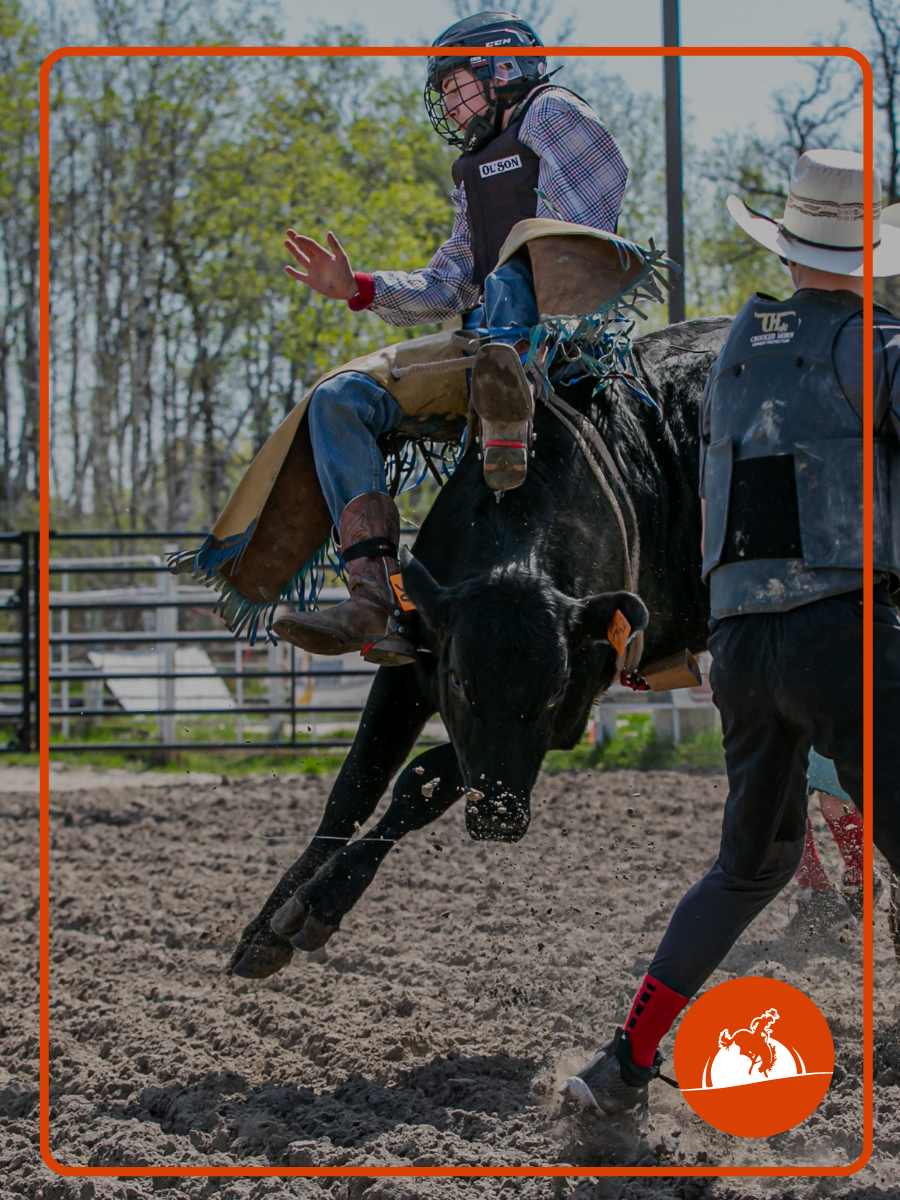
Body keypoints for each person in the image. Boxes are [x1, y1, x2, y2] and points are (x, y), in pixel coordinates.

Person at [560, 148, 900, 1119]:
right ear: (868, 257)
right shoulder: (878, 348)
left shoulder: (735, 357)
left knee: (748, 867)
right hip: (846, 630)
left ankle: (621, 1066)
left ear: (787, 251)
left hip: (742, 643)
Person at [272, 10, 628, 664]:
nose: (447, 100)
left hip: (563, 340)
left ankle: (509, 403)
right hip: (482, 340)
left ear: (501, 68)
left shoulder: (553, 113)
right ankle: (374, 597)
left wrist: (521, 279)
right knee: (339, 399)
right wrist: (360, 287)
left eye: (454, 82)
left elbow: (586, 228)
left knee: (520, 261)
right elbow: (450, 283)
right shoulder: (473, 166)